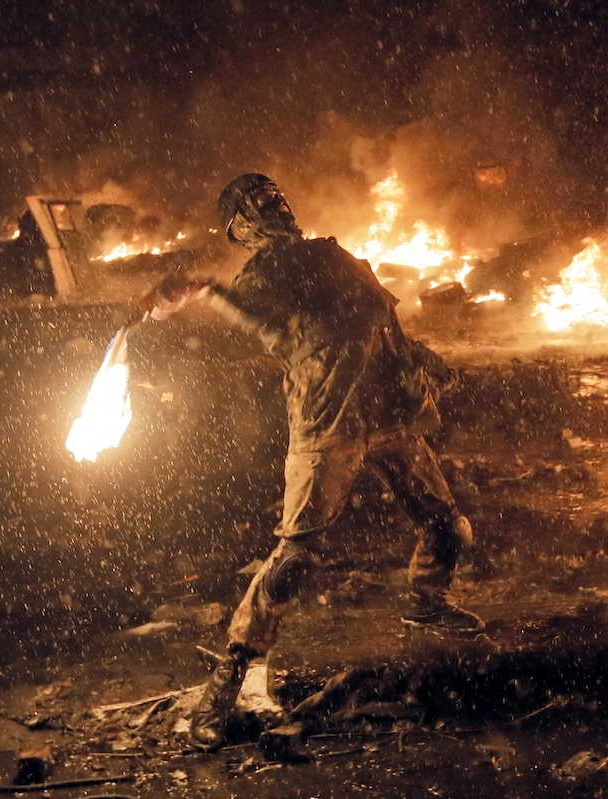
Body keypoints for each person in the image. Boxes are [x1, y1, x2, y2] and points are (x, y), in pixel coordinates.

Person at [136, 173, 483, 751]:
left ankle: (427, 602)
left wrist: (421, 359)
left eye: (277, 195)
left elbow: (380, 321)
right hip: (328, 418)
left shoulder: (331, 255)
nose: (277, 204)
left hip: (388, 411)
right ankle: (225, 682)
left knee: (447, 524)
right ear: (239, 226)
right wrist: (205, 289)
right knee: (295, 557)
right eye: (260, 200)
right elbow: (263, 320)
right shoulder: (263, 274)